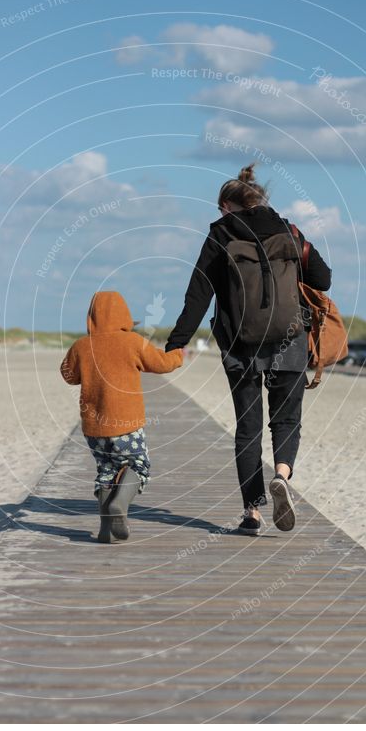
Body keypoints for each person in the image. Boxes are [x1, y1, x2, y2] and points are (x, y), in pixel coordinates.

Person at [165, 164, 331, 535]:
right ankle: (283, 477)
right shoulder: (289, 230)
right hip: (290, 339)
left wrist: (177, 343)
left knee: (248, 428)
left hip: (240, 345)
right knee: (286, 420)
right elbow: (323, 279)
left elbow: (198, 294)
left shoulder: (220, 233)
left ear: (227, 205)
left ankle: (252, 513)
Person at [61, 290, 183, 543]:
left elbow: (68, 375)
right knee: (138, 465)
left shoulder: (82, 346)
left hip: (94, 428)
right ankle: (121, 505)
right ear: (124, 316)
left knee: (106, 471)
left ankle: (106, 530)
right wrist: (178, 355)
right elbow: (161, 363)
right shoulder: (132, 342)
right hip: (126, 423)